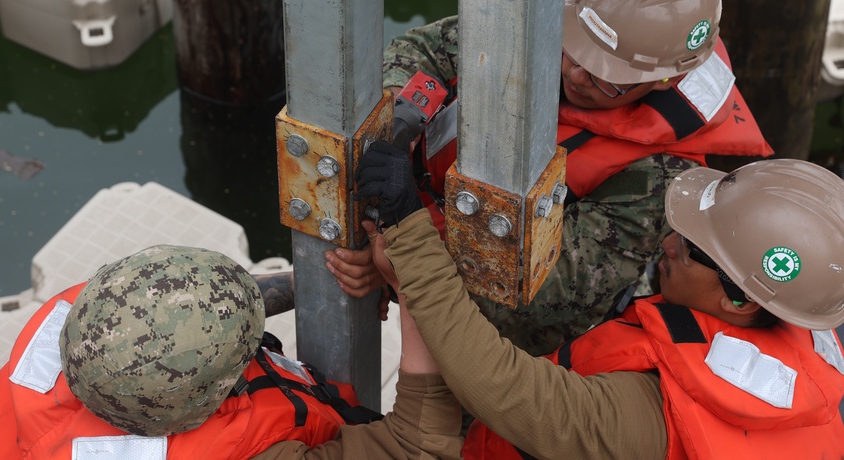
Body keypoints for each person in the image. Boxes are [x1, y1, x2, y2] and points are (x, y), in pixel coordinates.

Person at [328, 0, 773, 355]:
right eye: (575, 52)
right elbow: (424, 49)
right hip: (406, 241)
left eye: (606, 75)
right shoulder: (551, 19)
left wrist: (401, 260)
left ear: (665, 81)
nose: (578, 76)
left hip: (495, 348)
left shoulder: (656, 179)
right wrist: (401, 116)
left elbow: (539, 296)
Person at [355, 140, 844, 457]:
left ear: (741, 301)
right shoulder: (792, 316)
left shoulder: (645, 420)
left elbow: (505, 388)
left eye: (692, 249)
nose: (668, 243)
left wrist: (408, 232)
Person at [0, 244, 464, 460]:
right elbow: (420, 445)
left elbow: (185, 308)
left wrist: (310, 285)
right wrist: (416, 288)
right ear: (207, 402)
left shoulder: (97, 325)